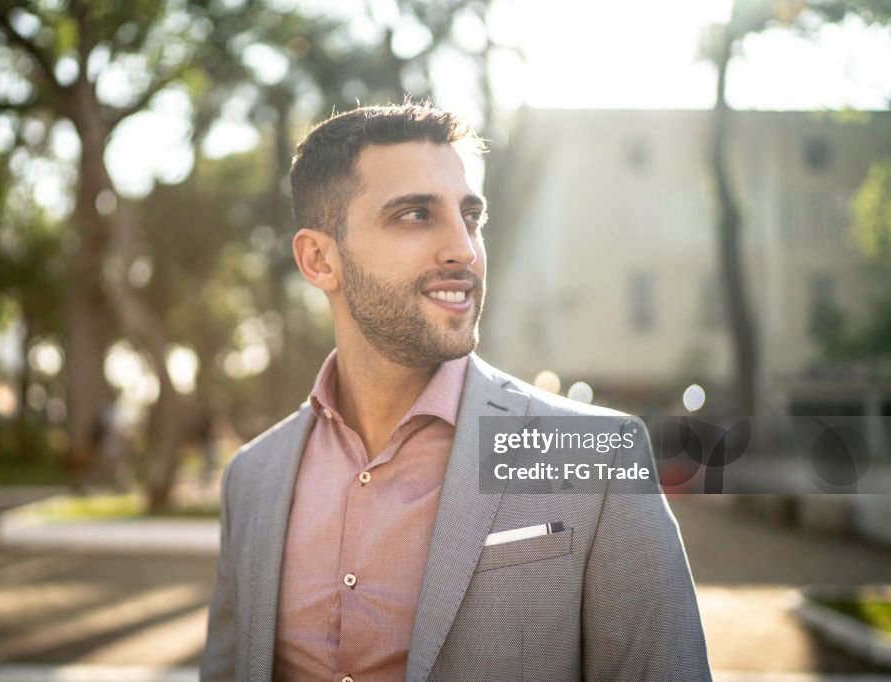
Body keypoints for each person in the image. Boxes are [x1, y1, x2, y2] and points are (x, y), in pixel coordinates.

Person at [201, 102, 711, 681]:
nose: (464, 250)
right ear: (319, 259)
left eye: (471, 217)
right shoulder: (254, 476)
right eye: (416, 215)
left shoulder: (595, 455)